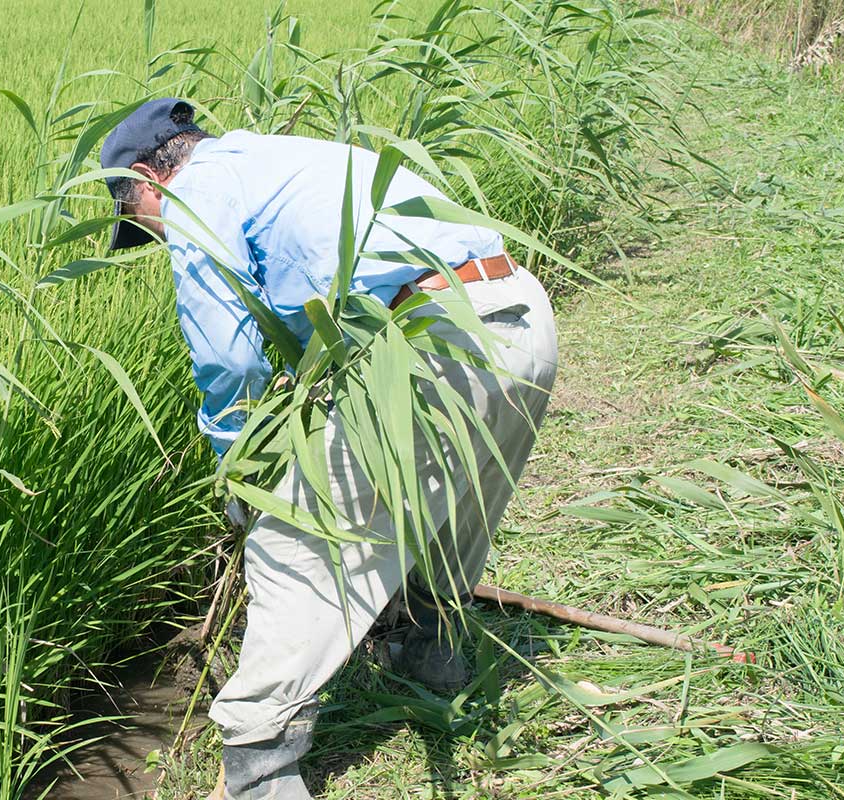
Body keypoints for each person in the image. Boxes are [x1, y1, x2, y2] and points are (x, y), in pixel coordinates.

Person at [98, 98, 559, 799]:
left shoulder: (196, 195)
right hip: (517, 314)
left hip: (438, 343)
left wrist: (242, 468)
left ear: (149, 180)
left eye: (141, 225)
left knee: (296, 541)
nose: (159, 240)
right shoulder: (276, 158)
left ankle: (257, 767)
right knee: (453, 505)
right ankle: (429, 655)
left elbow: (228, 358)